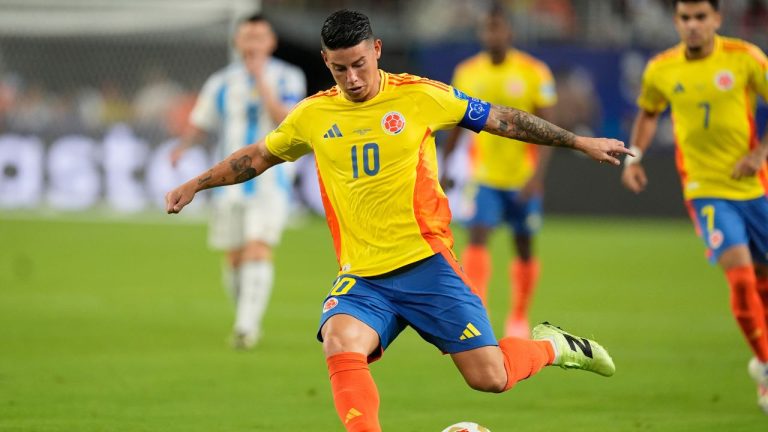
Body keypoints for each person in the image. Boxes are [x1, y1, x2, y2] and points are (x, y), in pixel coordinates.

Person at [167, 10, 628, 431]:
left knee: (491, 378)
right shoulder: (313, 114)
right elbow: (259, 156)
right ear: (326, 61)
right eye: (339, 68)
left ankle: (554, 346)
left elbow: (502, 119)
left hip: (427, 265)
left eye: (359, 64)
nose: (352, 78)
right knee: (339, 338)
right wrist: (197, 183)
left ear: (377, 50)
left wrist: (578, 142)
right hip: (364, 276)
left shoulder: (420, 96)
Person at [621, 0, 768, 413]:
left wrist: (759, 153)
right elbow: (649, 113)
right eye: (685, 18)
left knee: (762, 280)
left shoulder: (744, 59)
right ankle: (766, 367)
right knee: (739, 277)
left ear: (717, 19)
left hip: (755, 187)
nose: (693, 26)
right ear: (676, 22)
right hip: (704, 189)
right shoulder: (662, 68)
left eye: (701, 17)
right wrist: (634, 157)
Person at [169, 13, 306, 350]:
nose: (254, 43)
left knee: (258, 246)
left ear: (271, 42)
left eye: (260, 37)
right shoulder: (221, 82)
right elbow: (202, 120)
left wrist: (261, 79)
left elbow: (285, 121)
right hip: (229, 180)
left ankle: (247, 327)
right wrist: (184, 146)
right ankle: (244, 318)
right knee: (233, 256)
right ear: (237, 42)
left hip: (273, 179)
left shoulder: (289, 77)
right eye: (248, 37)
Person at [442, 2, 558, 338]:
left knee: (523, 245)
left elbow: (549, 128)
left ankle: (519, 316)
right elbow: (456, 123)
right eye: (486, 28)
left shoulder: (534, 71)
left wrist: (536, 178)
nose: (491, 34)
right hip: (484, 177)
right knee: (477, 237)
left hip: (522, 177)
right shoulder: (467, 72)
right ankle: (480, 311)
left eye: (497, 28)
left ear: (509, 32)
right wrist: (448, 164)